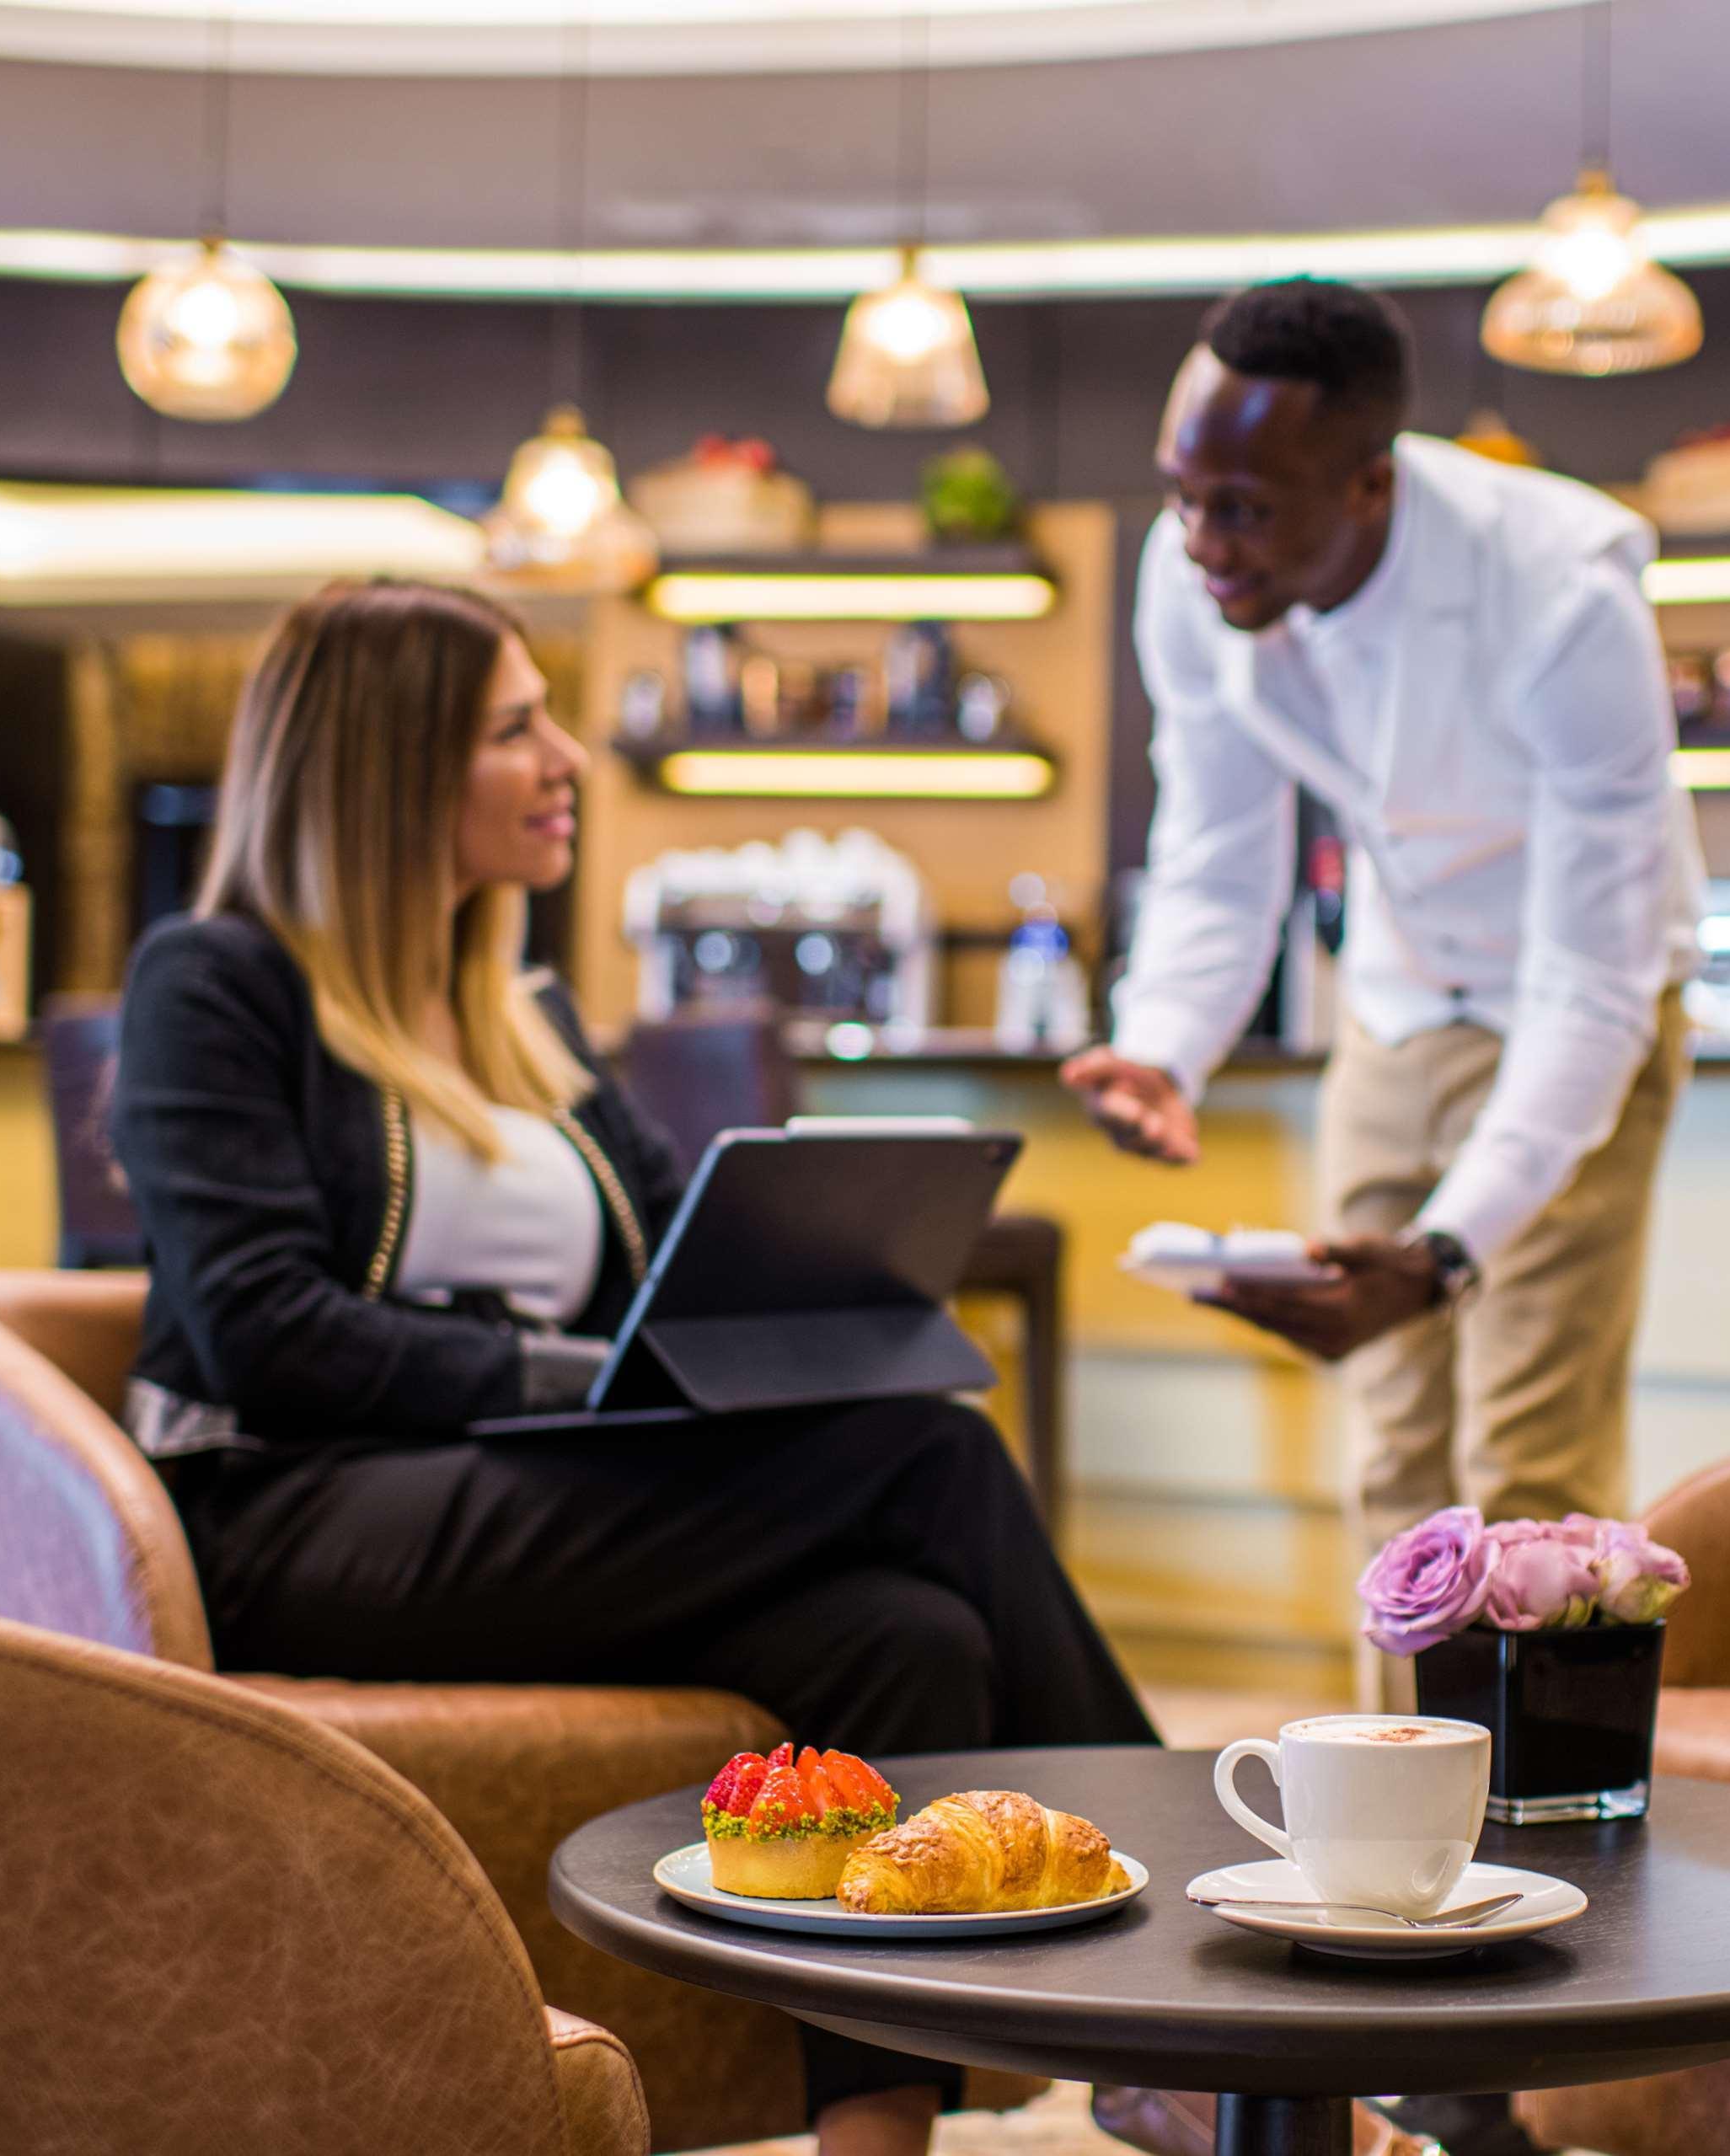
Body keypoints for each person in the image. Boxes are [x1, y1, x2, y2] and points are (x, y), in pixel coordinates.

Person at [110, 579, 1158, 2156]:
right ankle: (1180, 1999)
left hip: (516, 1488)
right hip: (286, 1505)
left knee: (906, 1632)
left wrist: (800, 1291)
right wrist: (574, 1380)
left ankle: (880, 2143)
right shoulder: (218, 984)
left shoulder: (523, 1015)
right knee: (929, 1458)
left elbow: (676, 1255)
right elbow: (268, 1324)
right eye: (516, 729)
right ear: (389, 766)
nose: (571, 760)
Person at [1063, 280, 1707, 1709]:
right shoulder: (1200, 580)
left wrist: (1450, 1250)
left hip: (1572, 1011)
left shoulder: (1558, 598)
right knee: (1396, 1466)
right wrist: (1165, 1045)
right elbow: (1223, 854)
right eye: (1182, 499)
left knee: (1530, 1473)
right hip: (1400, 997)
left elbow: (1597, 983)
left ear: (1369, 483)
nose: (1200, 545)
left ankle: (1552, 1852)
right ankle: (1396, 1835)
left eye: (1242, 510)